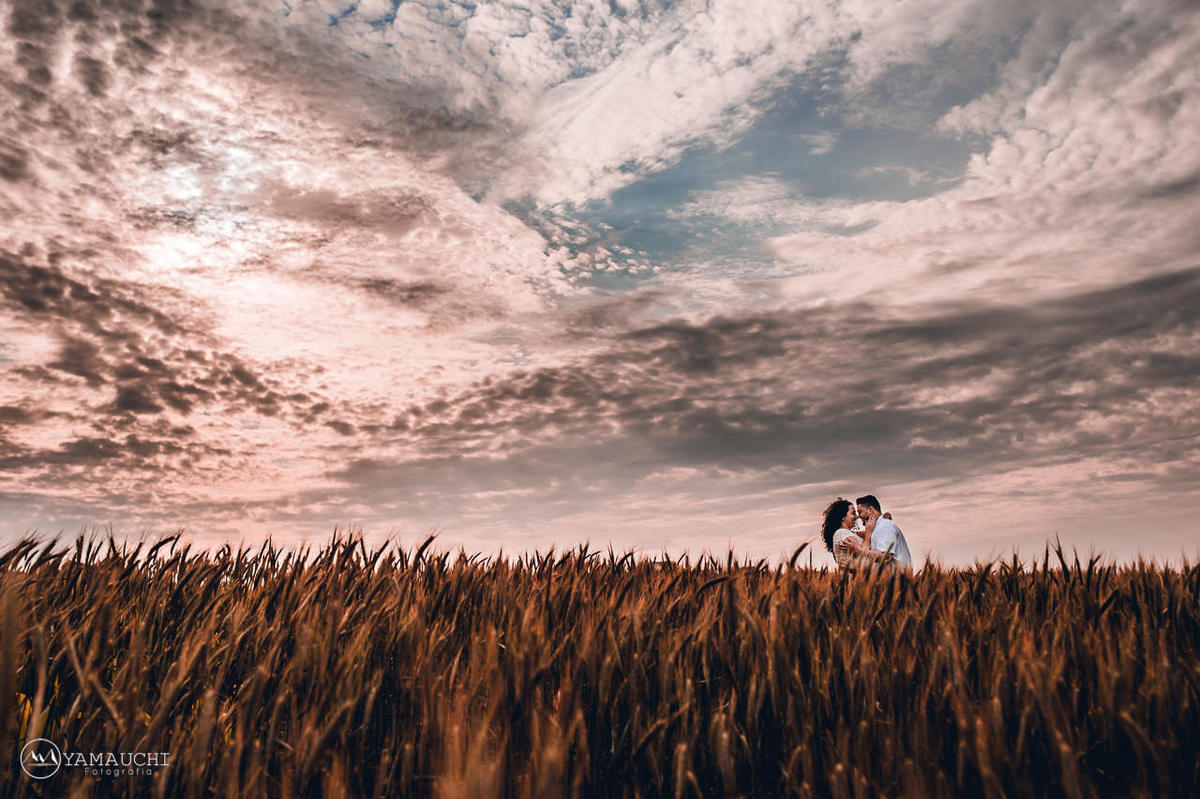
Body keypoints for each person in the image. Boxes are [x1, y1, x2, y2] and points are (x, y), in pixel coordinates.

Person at [844, 494, 912, 570]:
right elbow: (863, 533)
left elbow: (886, 557)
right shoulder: (875, 528)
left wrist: (858, 549)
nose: (858, 516)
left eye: (860, 512)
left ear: (870, 510)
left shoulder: (885, 526)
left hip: (898, 579)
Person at [820, 497, 889, 570]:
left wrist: (882, 520)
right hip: (858, 577)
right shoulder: (843, 534)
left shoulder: (850, 533)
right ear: (842, 517)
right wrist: (868, 534)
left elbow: (876, 532)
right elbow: (864, 560)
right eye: (853, 513)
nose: (857, 517)